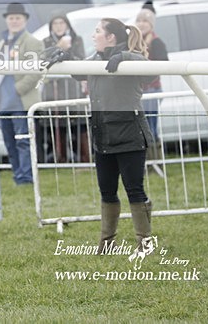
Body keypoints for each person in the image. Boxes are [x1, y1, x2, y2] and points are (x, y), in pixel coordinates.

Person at [82, 17, 155, 254]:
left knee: (134, 189)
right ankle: (107, 243)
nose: (93, 36)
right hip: (103, 135)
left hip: (130, 133)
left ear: (110, 37)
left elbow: (149, 71)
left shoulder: (129, 57)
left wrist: (123, 56)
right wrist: (61, 58)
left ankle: (144, 244)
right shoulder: (93, 60)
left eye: (97, 31)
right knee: (107, 190)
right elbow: (76, 73)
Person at [0, 3, 44, 185]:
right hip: (4, 102)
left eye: (18, 18)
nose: (14, 21)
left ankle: (26, 176)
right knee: (9, 142)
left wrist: (19, 88)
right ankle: (18, 174)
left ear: (25, 20)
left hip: (20, 101)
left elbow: (36, 70)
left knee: (23, 141)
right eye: (11, 18)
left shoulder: (32, 42)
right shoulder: (3, 42)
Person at [40, 13, 88, 163]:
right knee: (57, 124)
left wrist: (67, 51)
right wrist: (57, 47)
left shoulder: (77, 40)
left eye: (61, 23)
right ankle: (61, 158)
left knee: (78, 125)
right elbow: (44, 60)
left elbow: (81, 59)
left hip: (72, 87)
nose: (59, 26)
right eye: (55, 23)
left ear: (67, 24)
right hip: (54, 89)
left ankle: (84, 159)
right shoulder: (46, 41)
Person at [135, 1, 168, 142]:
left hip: (151, 89)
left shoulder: (156, 42)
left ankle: (155, 159)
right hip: (138, 90)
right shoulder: (134, 42)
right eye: (139, 21)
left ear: (151, 24)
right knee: (141, 127)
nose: (141, 24)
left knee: (150, 127)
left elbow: (163, 64)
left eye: (145, 21)